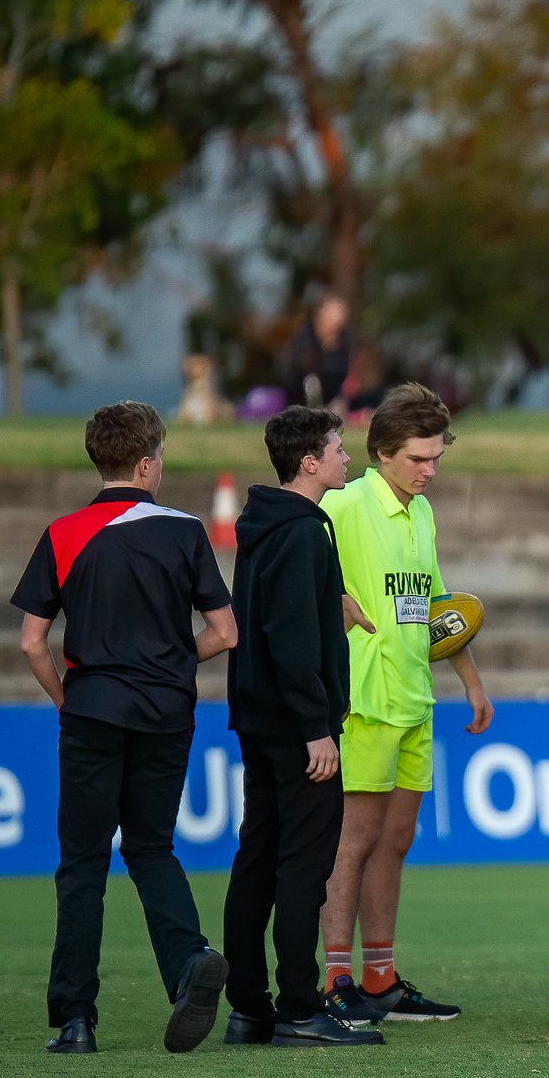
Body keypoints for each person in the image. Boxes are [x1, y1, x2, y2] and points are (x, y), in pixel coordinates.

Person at [13, 401, 238, 1055]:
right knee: (151, 849)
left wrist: (66, 696)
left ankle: (76, 1021)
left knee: (82, 864)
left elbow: (32, 642)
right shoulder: (186, 530)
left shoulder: (63, 532)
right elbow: (224, 632)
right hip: (167, 715)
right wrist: (170, 661)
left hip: (92, 711)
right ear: (146, 463)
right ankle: (189, 961)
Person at [318, 383, 493, 1023]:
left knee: (395, 840)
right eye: (420, 459)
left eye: (437, 457)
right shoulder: (345, 503)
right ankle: (335, 982)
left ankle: (380, 977)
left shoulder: (420, 512)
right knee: (352, 842)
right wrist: (330, 598)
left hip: (415, 699)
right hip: (364, 700)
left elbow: (437, 610)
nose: (431, 469)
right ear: (383, 454)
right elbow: (290, 557)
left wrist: (470, 681)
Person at [221, 407, 383, 1048]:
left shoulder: (267, 524)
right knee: (303, 864)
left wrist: (328, 602)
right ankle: (296, 1007)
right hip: (296, 727)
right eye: (339, 450)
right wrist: (317, 726)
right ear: (309, 463)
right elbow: (288, 639)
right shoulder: (304, 531)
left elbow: (271, 617)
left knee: (257, 856)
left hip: (258, 719)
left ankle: (250, 1008)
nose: (348, 459)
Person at [284, 293, 353, 414]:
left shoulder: (344, 338)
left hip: (335, 392)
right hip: (305, 392)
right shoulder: (306, 335)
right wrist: (323, 346)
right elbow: (304, 366)